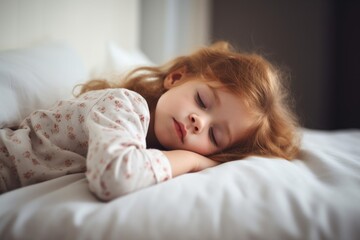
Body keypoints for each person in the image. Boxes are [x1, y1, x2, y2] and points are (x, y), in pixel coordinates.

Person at [0, 41, 300, 201]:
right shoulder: (126, 105)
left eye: (215, 136)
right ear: (176, 77)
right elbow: (114, 177)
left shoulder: (146, 140)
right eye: (203, 101)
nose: (199, 122)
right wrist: (190, 160)